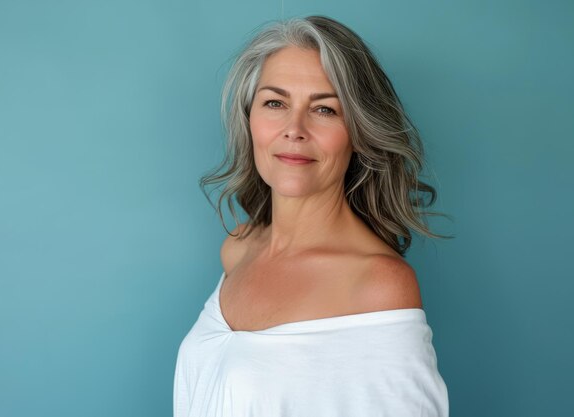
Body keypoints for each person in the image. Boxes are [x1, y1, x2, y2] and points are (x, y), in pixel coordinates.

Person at [173, 15, 451, 417]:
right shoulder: (239, 247)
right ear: (249, 119)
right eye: (275, 103)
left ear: (358, 131)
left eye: (324, 109)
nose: (294, 129)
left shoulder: (377, 285)